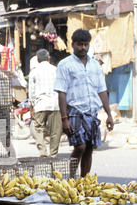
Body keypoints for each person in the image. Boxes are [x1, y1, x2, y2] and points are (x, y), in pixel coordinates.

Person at [54, 29, 114, 177]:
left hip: (92, 112)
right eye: (79, 45)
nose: (83, 48)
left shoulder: (95, 65)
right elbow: (61, 92)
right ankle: (71, 178)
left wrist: (109, 115)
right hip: (74, 111)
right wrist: (64, 118)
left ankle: (84, 181)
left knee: (89, 148)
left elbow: (102, 91)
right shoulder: (65, 65)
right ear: (72, 45)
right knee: (80, 146)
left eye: (85, 45)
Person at [28, 49, 62, 157]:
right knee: (55, 131)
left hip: (40, 104)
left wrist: (32, 106)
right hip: (55, 104)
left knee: (38, 129)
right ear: (49, 58)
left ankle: (42, 151)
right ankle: (54, 154)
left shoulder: (33, 72)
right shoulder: (55, 70)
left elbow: (31, 92)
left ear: (37, 60)